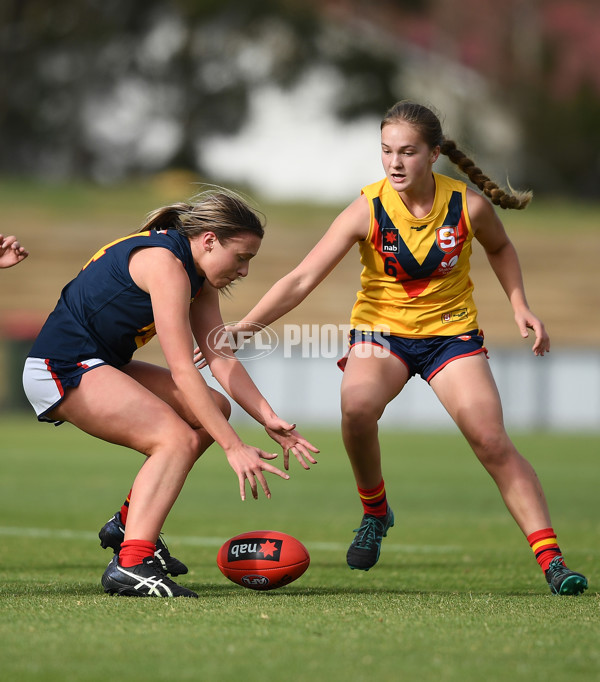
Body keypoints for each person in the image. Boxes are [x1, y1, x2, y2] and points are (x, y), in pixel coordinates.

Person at [220, 101, 587, 596]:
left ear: (434, 155)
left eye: (408, 152)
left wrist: (520, 305)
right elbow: (303, 277)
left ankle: (553, 562)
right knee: (356, 407)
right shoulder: (366, 208)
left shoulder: (467, 206)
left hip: (451, 337)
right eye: (386, 151)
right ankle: (375, 510)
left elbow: (500, 247)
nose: (395, 162)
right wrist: (246, 326)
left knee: (491, 441)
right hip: (380, 334)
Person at [22, 188, 318, 599]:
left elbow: (220, 357)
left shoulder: (196, 275)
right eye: (242, 258)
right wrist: (232, 447)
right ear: (210, 239)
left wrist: (268, 417)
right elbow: (183, 368)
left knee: (214, 408)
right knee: (175, 439)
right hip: (61, 367)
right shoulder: (166, 265)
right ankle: (131, 563)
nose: (245, 271)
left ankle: (128, 524)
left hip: (101, 364)